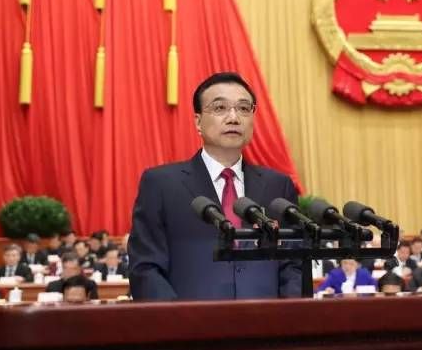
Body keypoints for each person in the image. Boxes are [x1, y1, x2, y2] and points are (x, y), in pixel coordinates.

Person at [128, 72, 301, 300]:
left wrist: (285, 316)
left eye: (243, 108)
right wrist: (178, 318)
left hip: (266, 319)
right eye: (220, 108)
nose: (233, 118)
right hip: (189, 320)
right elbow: (146, 269)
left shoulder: (278, 186)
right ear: (198, 122)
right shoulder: (161, 184)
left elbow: (294, 266)